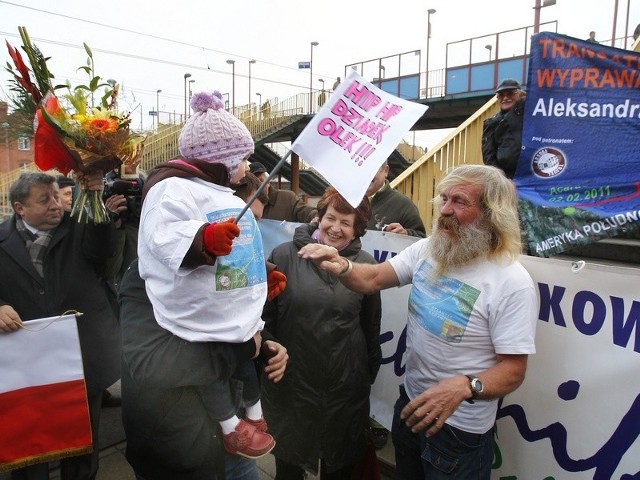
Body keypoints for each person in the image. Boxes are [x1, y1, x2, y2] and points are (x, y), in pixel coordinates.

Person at [298, 165, 538, 480]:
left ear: (491, 214)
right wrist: (342, 265)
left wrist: (464, 386)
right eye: (444, 199)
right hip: (410, 406)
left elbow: (513, 370)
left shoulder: (511, 282)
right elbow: (372, 278)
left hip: (458, 431)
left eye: (460, 202)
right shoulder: (430, 249)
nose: (446, 210)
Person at [137, 90, 286, 460]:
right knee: (218, 374)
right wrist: (202, 238)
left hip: (234, 322)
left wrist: (263, 274)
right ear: (220, 161)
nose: (247, 168)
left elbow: (241, 250)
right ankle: (230, 426)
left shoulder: (233, 198)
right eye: (242, 159)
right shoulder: (172, 189)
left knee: (244, 365)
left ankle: (253, 414)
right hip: (198, 332)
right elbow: (163, 235)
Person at [118, 258, 288, 480]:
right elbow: (148, 364)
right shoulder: (145, 274)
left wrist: (264, 342)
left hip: (239, 443)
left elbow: (234, 315)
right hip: (178, 450)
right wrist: (243, 349)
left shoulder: (227, 259)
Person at [0, 171, 121, 480]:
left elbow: (105, 251)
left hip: (82, 354)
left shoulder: (80, 227)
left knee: (82, 446)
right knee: (30, 447)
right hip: (25, 365)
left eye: (56, 196)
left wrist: (94, 199)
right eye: (44, 200)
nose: (55, 204)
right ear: (19, 208)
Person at [261, 187, 382, 479]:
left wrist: (361, 378)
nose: (335, 228)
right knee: (288, 467)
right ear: (319, 217)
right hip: (292, 384)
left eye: (346, 222)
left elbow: (370, 331)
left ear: (357, 230)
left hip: (344, 389)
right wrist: (269, 351)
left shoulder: (366, 265)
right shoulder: (284, 255)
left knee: (339, 466)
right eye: (331, 217)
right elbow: (266, 320)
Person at [366, 161, 426, 237]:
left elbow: (421, 239)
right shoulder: (347, 203)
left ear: (386, 170)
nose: (365, 175)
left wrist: (406, 233)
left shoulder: (404, 205)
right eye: (361, 169)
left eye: (372, 169)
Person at [481, 78, 526, 179]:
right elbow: (489, 157)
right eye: (501, 95)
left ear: (521, 94)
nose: (505, 98)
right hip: (507, 178)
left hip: (533, 174)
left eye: (510, 93)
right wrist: (501, 180)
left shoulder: (531, 114)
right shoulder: (491, 122)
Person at [248, 162, 318, 222]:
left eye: (261, 181)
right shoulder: (243, 203)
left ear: (268, 183)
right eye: (254, 183)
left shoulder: (287, 198)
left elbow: (305, 211)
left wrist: (318, 217)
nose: (258, 186)